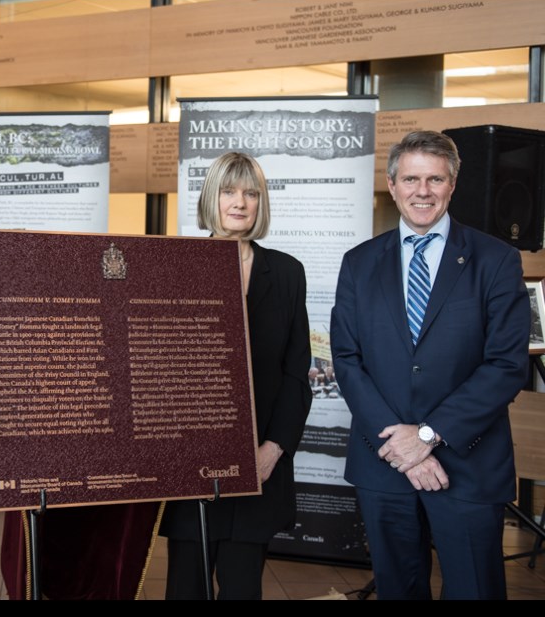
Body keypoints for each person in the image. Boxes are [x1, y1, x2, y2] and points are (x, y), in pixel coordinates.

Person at [330, 130, 530, 600]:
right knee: (397, 589)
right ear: (392, 183)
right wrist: (400, 445)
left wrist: (425, 436)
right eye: (412, 179)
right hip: (384, 465)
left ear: (453, 184)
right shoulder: (359, 262)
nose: (423, 191)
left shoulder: (496, 260)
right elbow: (347, 359)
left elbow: (506, 365)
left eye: (435, 179)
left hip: (467, 462)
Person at [159, 152, 312, 600]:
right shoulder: (173, 267)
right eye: (229, 191)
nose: (239, 202)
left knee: (243, 588)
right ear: (212, 198)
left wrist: (274, 449)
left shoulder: (286, 272)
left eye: (251, 193)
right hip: (189, 467)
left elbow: (296, 373)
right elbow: (158, 371)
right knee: (185, 590)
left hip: (259, 466)